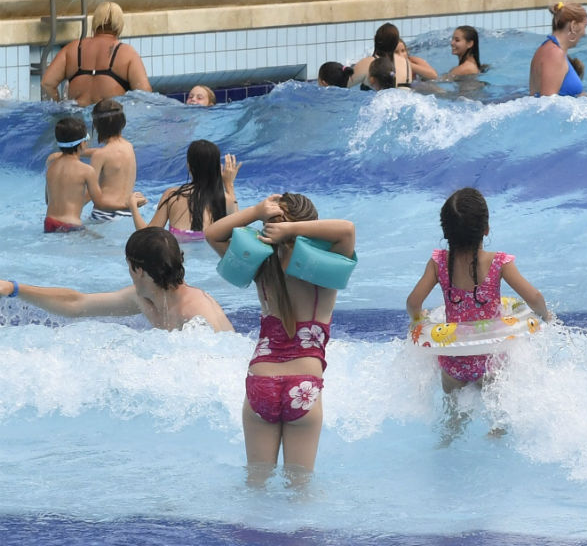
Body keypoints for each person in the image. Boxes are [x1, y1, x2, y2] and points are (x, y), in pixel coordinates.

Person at [205, 193, 356, 485]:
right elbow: (347, 229)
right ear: (310, 225)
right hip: (304, 384)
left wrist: (256, 211)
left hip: (261, 381)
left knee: (256, 485)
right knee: (300, 490)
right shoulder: (323, 268)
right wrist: (291, 230)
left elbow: (213, 233)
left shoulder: (262, 265)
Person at [406, 188, 550, 438]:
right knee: (498, 416)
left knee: (453, 419)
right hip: (490, 361)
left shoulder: (438, 262)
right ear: (486, 229)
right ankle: (496, 435)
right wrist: (546, 316)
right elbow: (535, 298)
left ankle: (448, 439)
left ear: (445, 232)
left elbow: (413, 301)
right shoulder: (499, 263)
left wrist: (418, 320)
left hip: (453, 365)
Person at [0, 227, 232, 332]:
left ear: (137, 269)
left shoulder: (196, 314)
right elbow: (77, 305)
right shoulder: (145, 297)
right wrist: (14, 288)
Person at [40, 1, 152, 107]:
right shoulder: (127, 54)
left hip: (77, 118)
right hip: (109, 119)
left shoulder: (73, 48)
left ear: (95, 22)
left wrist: (58, 111)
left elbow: (47, 83)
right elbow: (145, 96)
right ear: (120, 25)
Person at [44, 117, 141, 233]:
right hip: (71, 225)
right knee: (101, 242)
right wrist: (131, 205)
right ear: (83, 143)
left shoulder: (51, 165)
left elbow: (47, 200)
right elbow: (99, 203)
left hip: (49, 222)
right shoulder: (86, 170)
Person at [131, 139, 239, 243]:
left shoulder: (172, 196)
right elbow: (239, 232)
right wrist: (229, 185)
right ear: (217, 168)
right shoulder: (226, 200)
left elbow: (148, 236)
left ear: (189, 165)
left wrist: (133, 206)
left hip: (177, 258)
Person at [82, 99, 139, 222]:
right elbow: (110, 156)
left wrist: (71, 209)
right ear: (122, 123)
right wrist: (75, 152)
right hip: (128, 214)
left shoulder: (100, 155)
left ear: (97, 126)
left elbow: (89, 194)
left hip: (104, 215)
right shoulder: (129, 147)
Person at [529, 2, 587, 97]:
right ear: (573, 26)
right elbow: (547, 105)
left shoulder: (549, 49)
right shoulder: (554, 54)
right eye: (584, 26)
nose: (584, 33)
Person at [348, 23, 413, 89]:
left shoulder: (369, 63)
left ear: (375, 39)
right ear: (396, 42)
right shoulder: (406, 64)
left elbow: (343, 84)